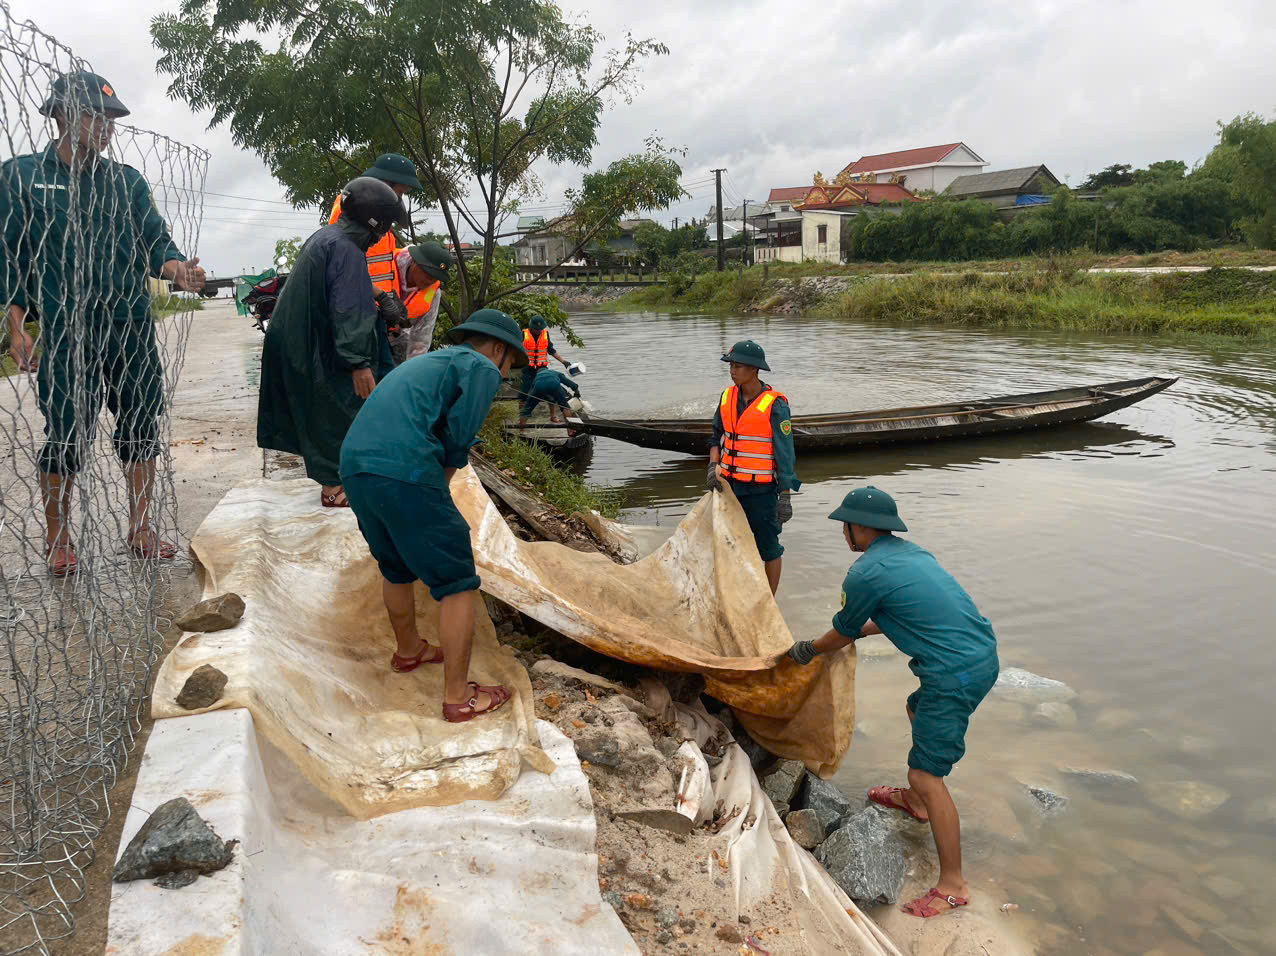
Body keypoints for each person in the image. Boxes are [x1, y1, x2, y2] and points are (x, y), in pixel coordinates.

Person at [1, 70, 205, 576]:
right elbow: (12, 257)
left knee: (141, 427)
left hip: (130, 326)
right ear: (65, 114)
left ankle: (138, 528)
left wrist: (179, 269)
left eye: (111, 117)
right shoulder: (20, 176)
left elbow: (155, 243)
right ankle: (58, 538)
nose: (106, 126)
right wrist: (17, 323)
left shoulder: (126, 181)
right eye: (95, 114)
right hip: (70, 332)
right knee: (66, 435)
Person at [787, 486, 1000, 919]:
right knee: (914, 709)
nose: (843, 532)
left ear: (860, 527)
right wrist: (861, 631)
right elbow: (911, 611)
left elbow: (840, 634)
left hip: (951, 674)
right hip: (980, 655)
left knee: (925, 774)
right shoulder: (914, 555)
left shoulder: (864, 574)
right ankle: (917, 805)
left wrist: (807, 649)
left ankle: (953, 885)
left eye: (846, 524)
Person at [339, 308, 529, 722]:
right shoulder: (481, 366)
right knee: (457, 581)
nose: (506, 370)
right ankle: (459, 696)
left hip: (354, 466)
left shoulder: (430, 361)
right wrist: (436, 485)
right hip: (403, 467)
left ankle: (409, 651)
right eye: (511, 361)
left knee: (395, 566)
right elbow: (458, 436)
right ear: (498, 349)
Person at [257, 176, 406, 508]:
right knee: (338, 410)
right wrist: (358, 363)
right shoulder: (346, 248)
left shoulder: (328, 237)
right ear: (375, 221)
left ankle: (340, 479)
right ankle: (335, 490)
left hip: (297, 341)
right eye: (386, 224)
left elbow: (344, 290)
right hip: (310, 346)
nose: (386, 232)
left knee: (326, 409)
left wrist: (380, 296)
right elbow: (349, 310)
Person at [706, 340, 799, 595]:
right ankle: (736, 595)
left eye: (737, 366)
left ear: (754, 370)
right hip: (730, 487)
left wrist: (785, 495)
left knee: (768, 547)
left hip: (761, 490)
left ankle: (769, 601)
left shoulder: (775, 404)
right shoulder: (727, 397)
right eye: (731, 366)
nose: (732, 371)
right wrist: (713, 465)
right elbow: (716, 436)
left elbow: (785, 452)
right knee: (729, 542)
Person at [327, 153, 423, 377]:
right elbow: (345, 266)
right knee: (368, 380)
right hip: (361, 311)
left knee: (385, 377)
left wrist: (392, 304)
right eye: (400, 191)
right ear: (387, 183)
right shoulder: (353, 206)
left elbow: (384, 266)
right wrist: (379, 297)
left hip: (379, 311)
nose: (400, 198)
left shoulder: (379, 212)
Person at [399, 241, 453, 361]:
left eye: (436, 277)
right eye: (429, 274)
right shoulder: (387, 270)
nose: (431, 281)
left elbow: (421, 339)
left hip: (399, 346)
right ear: (414, 261)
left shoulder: (432, 294)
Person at [518, 314, 573, 400]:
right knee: (524, 392)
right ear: (531, 327)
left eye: (541, 329)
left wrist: (564, 362)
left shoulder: (545, 334)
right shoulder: (523, 334)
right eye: (536, 329)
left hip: (541, 367)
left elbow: (551, 350)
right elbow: (516, 349)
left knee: (550, 382)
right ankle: (523, 408)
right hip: (527, 368)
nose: (539, 331)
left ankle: (564, 396)